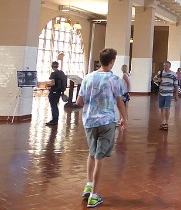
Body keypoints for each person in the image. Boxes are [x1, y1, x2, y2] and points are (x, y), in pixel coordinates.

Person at [76, 48, 127, 208]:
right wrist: (124, 118)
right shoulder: (114, 79)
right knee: (99, 157)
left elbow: (79, 102)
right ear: (112, 61)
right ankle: (93, 196)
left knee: (92, 153)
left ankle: (89, 184)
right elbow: (120, 101)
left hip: (90, 122)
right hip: (107, 122)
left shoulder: (88, 77)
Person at [153, 61, 178, 130]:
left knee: (167, 108)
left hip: (169, 94)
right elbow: (154, 79)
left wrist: (176, 95)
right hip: (161, 93)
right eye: (164, 65)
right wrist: (158, 80)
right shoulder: (160, 73)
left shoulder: (173, 74)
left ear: (169, 66)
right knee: (161, 108)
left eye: (166, 65)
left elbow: (176, 85)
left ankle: (166, 123)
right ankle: (163, 122)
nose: (165, 67)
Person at [46, 61, 67, 126]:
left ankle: (54, 120)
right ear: (58, 66)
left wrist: (48, 85)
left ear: (52, 66)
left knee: (53, 106)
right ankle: (55, 119)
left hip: (53, 91)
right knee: (56, 105)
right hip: (59, 92)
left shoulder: (53, 74)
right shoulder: (62, 73)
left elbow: (53, 83)